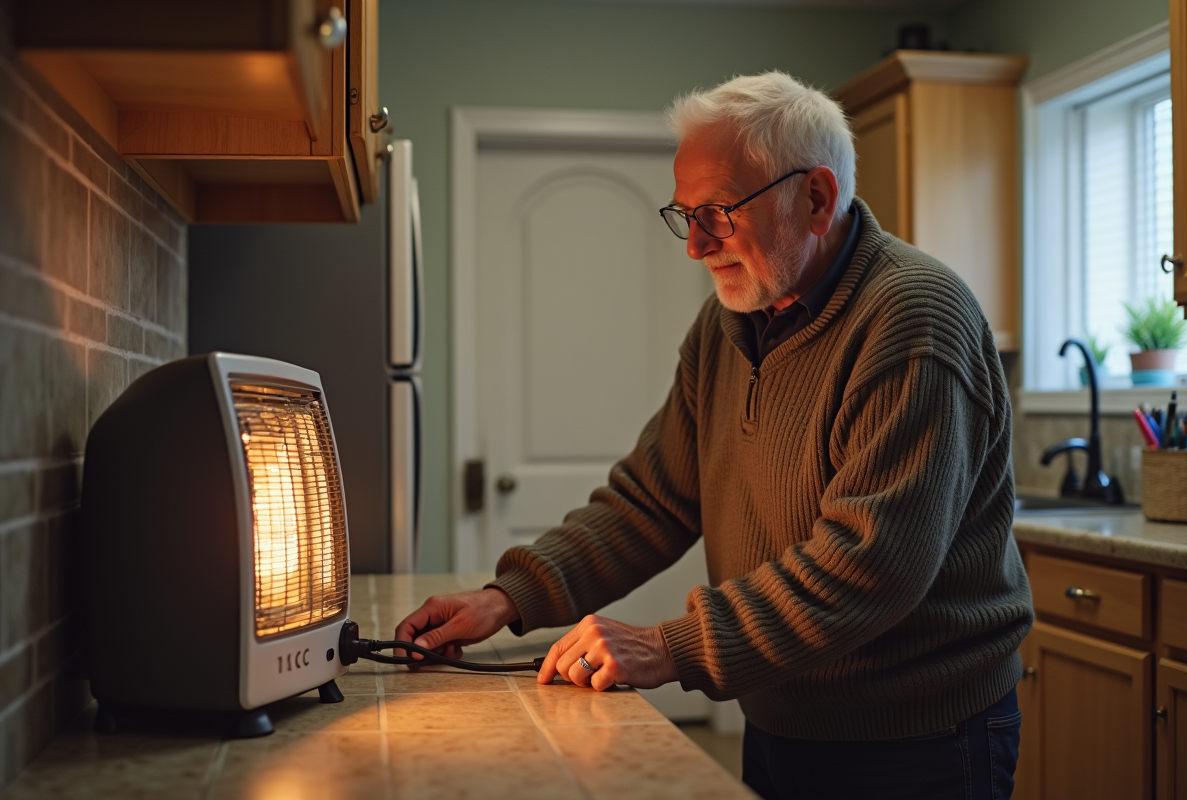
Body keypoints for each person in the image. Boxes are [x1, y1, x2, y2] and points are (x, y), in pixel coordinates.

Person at [396, 70, 1034, 800]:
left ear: (816, 197)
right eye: (685, 214)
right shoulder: (731, 322)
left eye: (719, 213)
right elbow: (653, 500)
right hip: (783, 715)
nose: (696, 246)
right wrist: (506, 598)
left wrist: (668, 647)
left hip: (916, 740)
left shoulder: (914, 319)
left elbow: (870, 566)